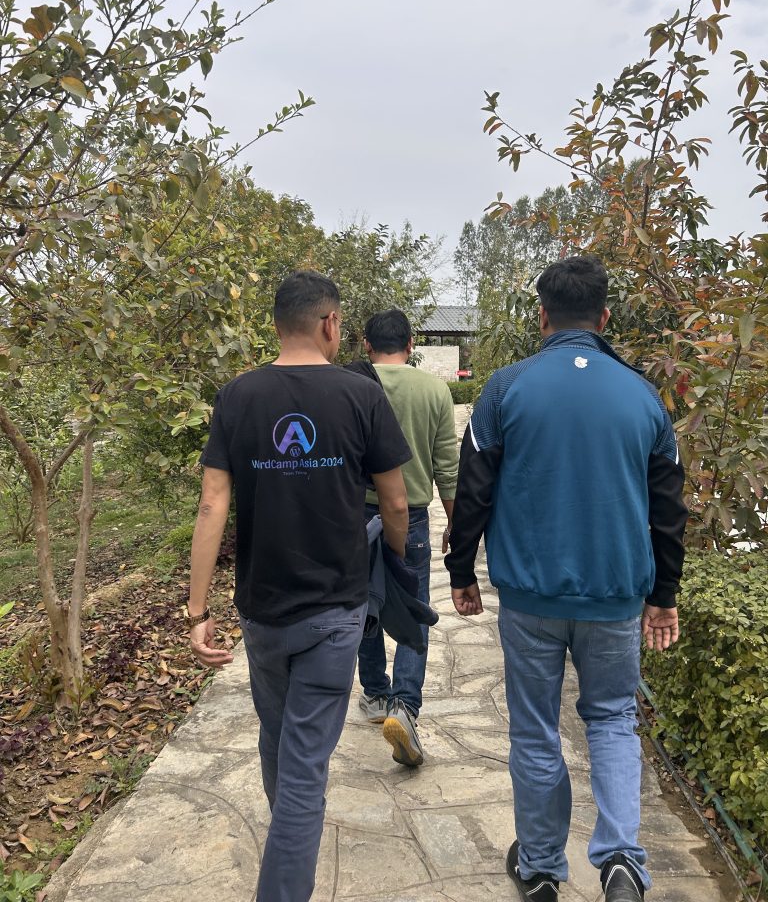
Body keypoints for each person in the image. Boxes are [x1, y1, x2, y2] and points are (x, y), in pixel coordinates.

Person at [445, 255, 688, 902]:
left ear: (542, 316)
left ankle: (543, 866)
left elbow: (475, 488)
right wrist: (663, 596)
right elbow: (669, 507)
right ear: (605, 317)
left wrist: (461, 569)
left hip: (530, 596)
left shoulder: (505, 388)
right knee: (611, 720)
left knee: (534, 728)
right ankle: (622, 863)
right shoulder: (643, 396)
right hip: (615, 596)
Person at [186, 271, 412, 902]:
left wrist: (196, 609)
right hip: (335, 609)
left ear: (277, 323)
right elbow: (394, 502)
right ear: (330, 323)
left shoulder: (238, 396)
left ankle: (287, 827)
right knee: (305, 766)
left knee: (277, 733)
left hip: (263, 609)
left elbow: (212, 504)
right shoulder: (360, 397)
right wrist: (394, 562)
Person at [355, 308, 459, 767]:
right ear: (411, 344)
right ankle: (405, 706)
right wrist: (456, 523)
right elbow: (447, 468)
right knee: (414, 610)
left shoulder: (349, 386)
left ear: (365, 344)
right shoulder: (434, 390)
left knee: (365, 604)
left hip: (355, 516)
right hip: (412, 515)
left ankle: (375, 694)